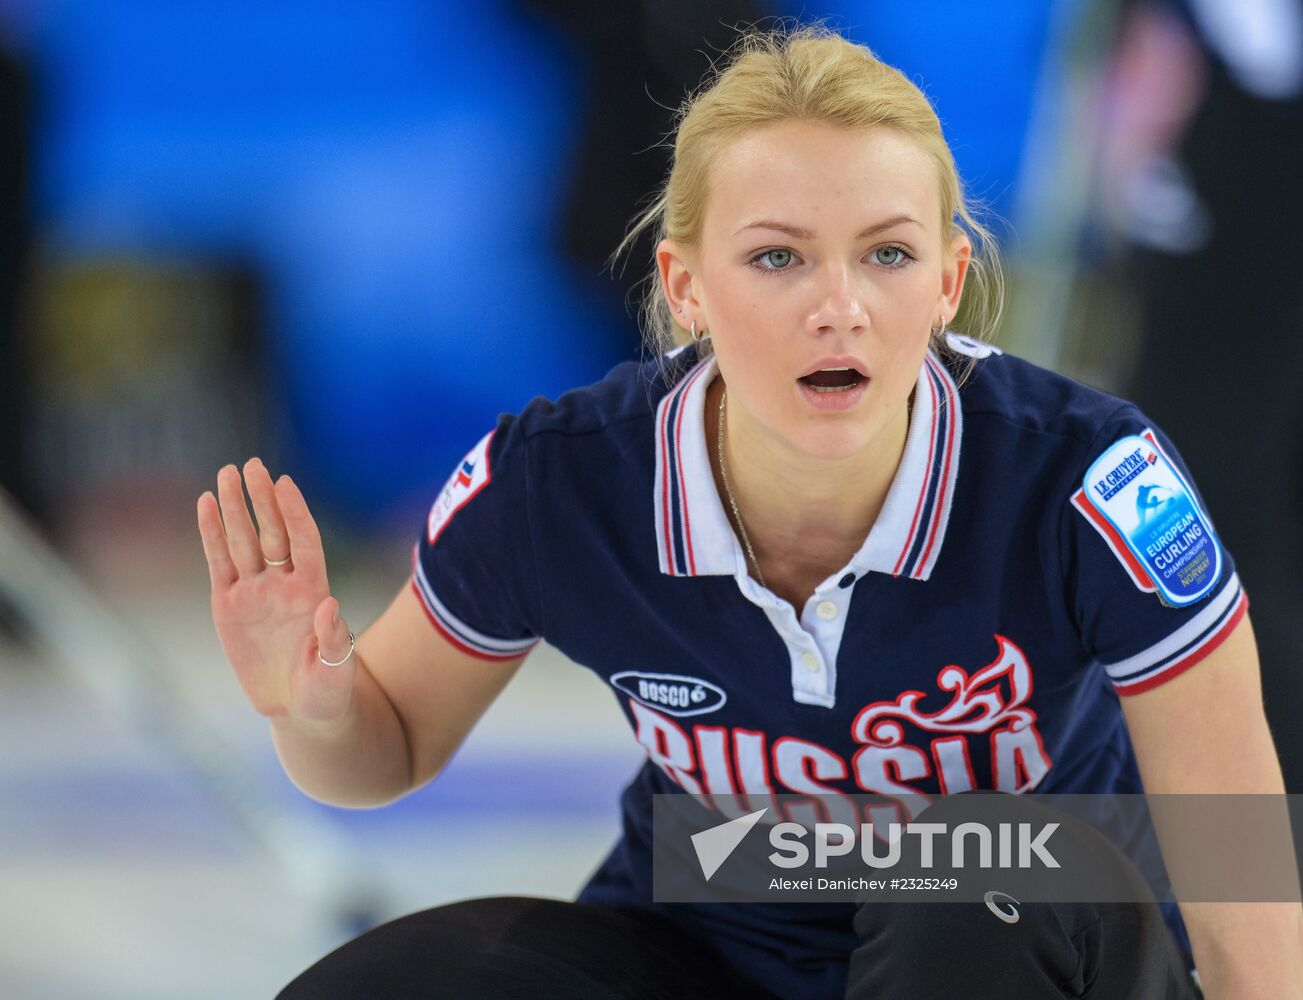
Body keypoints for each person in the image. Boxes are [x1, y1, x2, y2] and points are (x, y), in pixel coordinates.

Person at [197, 26, 1302, 999]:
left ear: (948, 282)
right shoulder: (564, 477)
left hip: (1027, 941)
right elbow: (380, 753)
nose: (838, 307)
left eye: (888, 254)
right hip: (715, 940)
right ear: (685, 287)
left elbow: (1233, 853)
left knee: (964, 887)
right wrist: (312, 702)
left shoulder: (1089, 480)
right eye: (777, 257)